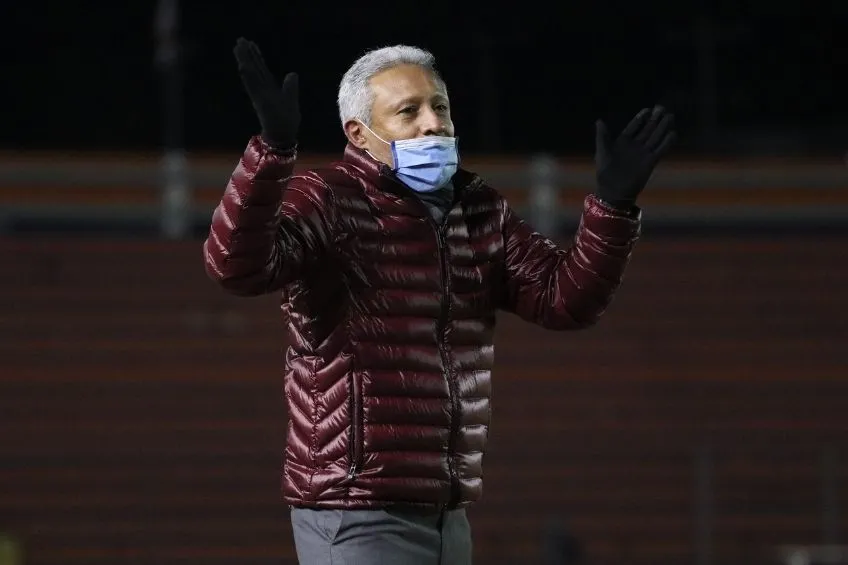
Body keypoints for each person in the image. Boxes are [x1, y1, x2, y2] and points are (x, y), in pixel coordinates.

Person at [203, 37, 676, 565]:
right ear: (359, 133)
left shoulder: (478, 208)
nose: (433, 124)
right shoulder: (328, 197)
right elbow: (236, 266)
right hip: (355, 505)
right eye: (408, 111)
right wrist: (271, 151)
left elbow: (565, 300)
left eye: (440, 107)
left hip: (447, 513)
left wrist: (613, 206)